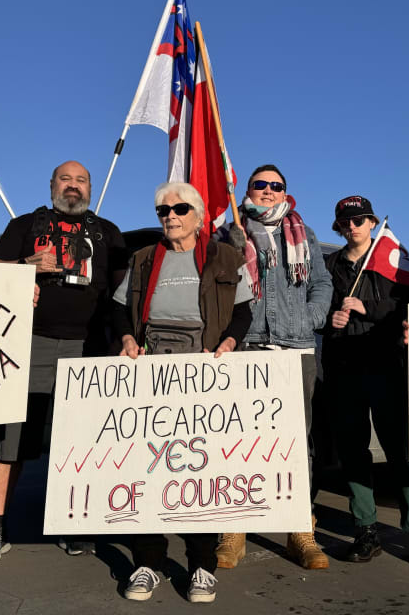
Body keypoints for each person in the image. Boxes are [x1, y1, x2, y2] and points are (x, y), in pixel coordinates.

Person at [0, 161, 127, 562]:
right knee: (11, 436)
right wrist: (25, 267)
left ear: (90, 188)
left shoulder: (108, 233)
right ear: (52, 185)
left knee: (79, 438)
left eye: (81, 180)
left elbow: (128, 289)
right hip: (30, 342)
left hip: (86, 348)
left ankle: (72, 522)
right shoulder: (25, 226)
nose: (73, 187)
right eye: (65, 180)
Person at [112, 182, 253, 603]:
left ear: (197, 216)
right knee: (146, 467)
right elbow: (121, 307)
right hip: (152, 365)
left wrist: (228, 343)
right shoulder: (142, 260)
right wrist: (126, 339)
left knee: (198, 468)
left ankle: (202, 567)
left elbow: (244, 311)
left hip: (203, 367)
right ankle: (148, 563)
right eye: (163, 211)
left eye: (179, 209)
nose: (170, 216)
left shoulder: (224, 256)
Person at [215, 164, 333, 570]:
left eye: (275, 186)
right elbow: (216, 282)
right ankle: (236, 528)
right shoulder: (230, 229)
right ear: (247, 189)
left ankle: (300, 528)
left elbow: (321, 283)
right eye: (260, 185)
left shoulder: (303, 232)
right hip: (245, 346)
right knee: (239, 439)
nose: (267, 191)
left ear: (285, 192)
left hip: (295, 347)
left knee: (296, 440)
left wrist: (311, 317)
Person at [321, 196, 409, 569]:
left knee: (401, 451)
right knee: (354, 453)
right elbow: (315, 310)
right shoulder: (328, 267)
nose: (353, 227)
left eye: (359, 220)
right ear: (339, 227)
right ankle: (365, 529)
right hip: (344, 369)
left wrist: (368, 309)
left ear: (372, 223)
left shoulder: (392, 262)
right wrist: (331, 320)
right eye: (346, 222)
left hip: (387, 366)